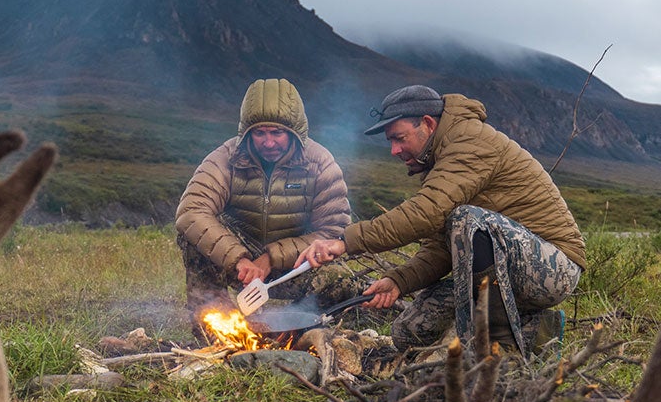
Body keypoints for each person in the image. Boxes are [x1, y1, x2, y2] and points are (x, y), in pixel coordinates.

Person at [299, 84, 584, 353]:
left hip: (554, 269)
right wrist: (399, 281)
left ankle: (499, 350)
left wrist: (344, 241)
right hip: (508, 270)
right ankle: (536, 328)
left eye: (399, 138)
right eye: (390, 142)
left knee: (467, 219)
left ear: (428, 124)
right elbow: (439, 246)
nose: (394, 151)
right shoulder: (439, 159)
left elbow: (427, 212)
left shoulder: (470, 141)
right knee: (409, 331)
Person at [175, 78, 351, 325]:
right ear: (246, 133)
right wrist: (239, 259)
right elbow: (191, 211)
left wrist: (270, 259)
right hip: (241, 263)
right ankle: (214, 324)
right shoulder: (226, 158)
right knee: (192, 235)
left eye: (277, 132)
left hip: (294, 265)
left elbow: (334, 232)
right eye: (259, 133)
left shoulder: (319, 163)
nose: (268, 143)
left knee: (341, 281)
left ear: (294, 132)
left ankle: (295, 322)